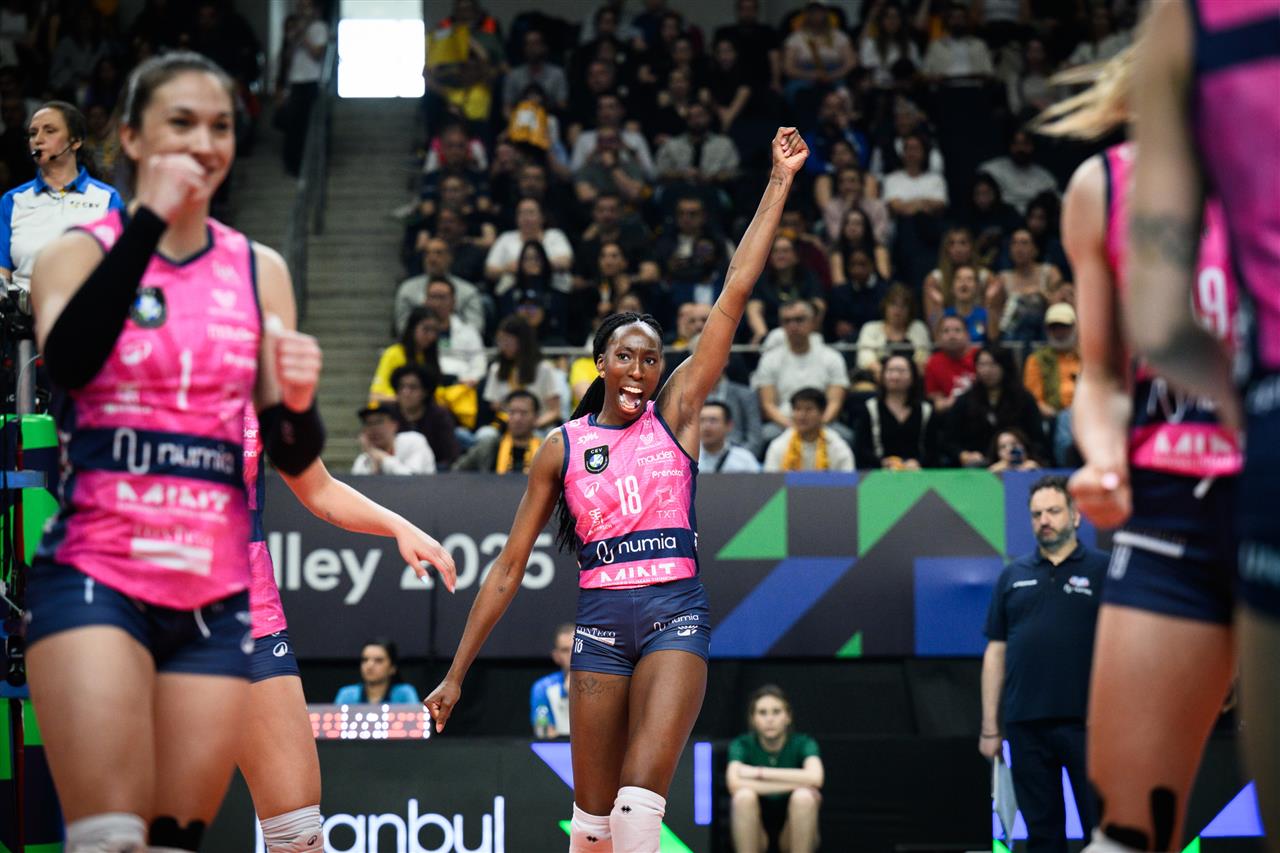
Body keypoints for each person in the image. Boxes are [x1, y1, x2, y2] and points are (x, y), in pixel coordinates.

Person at [424, 127, 810, 853]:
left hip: (675, 615)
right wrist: (455, 674)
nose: (639, 370)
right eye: (626, 357)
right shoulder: (562, 447)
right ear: (600, 362)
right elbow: (508, 567)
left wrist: (779, 182)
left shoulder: (677, 415)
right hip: (600, 626)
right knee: (593, 825)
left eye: (651, 359)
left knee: (636, 812)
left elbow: (734, 291)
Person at [23, 52, 327, 852]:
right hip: (98, 571)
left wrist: (299, 403)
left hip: (214, 595)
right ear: (129, 136)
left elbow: (291, 447)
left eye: (220, 126)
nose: (203, 142)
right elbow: (69, 364)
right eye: (181, 123)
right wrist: (150, 221)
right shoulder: (74, 253)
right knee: (112, 837)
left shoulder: (261, 270)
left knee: (172, 839)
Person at [1038, 43, 1244, 851]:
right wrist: (1101, 454)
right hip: (1168, 515)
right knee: (1127, 833)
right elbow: (1101, 374)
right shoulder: (1105, 187)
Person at [237, 402, 455, 852]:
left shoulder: (258, 391)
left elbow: (318, 489)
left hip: (248, 616)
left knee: (298, 836)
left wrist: (397, 525)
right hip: (144, 612)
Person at [981, 476, 1109, 853]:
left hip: (1089, 725)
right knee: (1041, 835)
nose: (1044, 521)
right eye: (1037, 514)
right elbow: (996, 651)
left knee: (1102, 832)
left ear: (1076, 515)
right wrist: (990, 727)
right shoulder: (1013, 575)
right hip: (1025, 725)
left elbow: (1125, 648)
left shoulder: (1104, 570)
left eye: (1053, 511)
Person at [1, 101, 122, 293]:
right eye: (33, 133)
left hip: (86, 307)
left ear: (75, 141)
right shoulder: (12, 200)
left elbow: (120, 267)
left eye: (49, 131)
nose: (38, 139)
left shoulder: (107, 198)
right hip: (22, 309)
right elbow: (2, 270)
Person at [726, 685, 824, 853]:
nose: (769, 719)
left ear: (788, 716)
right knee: (743, 797)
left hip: (792, 832)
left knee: (804, 798)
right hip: (756, 832)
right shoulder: (741, 744)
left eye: (776, 712)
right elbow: (734, 784)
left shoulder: (803, 743)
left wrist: (758, 772)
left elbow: (816, 778)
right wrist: (800, 782)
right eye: (762, 713)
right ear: (753, 719)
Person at [752, 299, 848, 445]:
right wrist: (794, 427)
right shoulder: (769, 359)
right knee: (763, 437)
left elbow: (834, 402)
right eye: (787, 321)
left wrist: (816, 427)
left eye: (799, 319)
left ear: (813, 322)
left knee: (847, 437)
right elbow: (768, 405)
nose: (793, 326)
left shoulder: (832, 357)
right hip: (783, 424)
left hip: (823, 424)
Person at [943, 344, 1046, 467]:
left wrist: (1026, 457)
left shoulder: (1024, 399)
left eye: (993, 364)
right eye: (982, 365)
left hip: (1016, 466)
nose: (987, 370)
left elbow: (1038, 439)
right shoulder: (965, 400)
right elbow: (949, 440)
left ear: (1005, 366)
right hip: (976, 467)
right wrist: (963, 454)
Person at [853, 353, 937, 469]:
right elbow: (861, 449)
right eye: (890, 371)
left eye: (902, 371)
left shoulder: (926, 410)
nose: (895, 376)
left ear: (913, 376)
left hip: (917, 473)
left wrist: (919, 463)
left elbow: (933, 449)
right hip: (879, 472)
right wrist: (882, 462)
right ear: (882, 375)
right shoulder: (870, 408)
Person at [278, 0, 327, 176]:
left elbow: (317, 54)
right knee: (293, 125)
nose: (303, 11)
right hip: (294, 81)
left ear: (314, 9)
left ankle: (303, 165)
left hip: (310, 81)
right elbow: (286, 58)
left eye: (306, 7)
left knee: (305, 125)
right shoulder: (294, 27)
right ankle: (291, 163)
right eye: (300, 7)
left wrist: (304, 35)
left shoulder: (319, 28)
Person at [764, 387, 856, 472]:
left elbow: (849, 480)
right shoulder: (779, 445)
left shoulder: (837, 446)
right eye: (797, 409)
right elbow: (769, 481)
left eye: (809, 409)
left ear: (822, 412)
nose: (802, 415)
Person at [454, 389, 543, 474]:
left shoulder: (545, 449)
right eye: (512, 412)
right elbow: (456, 471)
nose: (517, 418)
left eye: (524, 413)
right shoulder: (489, 446)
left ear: (536, 417)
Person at [854, 282, 932, 377]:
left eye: (903, 306)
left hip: (912, 378)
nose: (898, 310)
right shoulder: (870, 328)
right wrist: (888, 376)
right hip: (878, 377)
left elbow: (924, 360)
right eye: (893, 304)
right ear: (885, 306)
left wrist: (904, 376)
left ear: (910, 309)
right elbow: (865, 359)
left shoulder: (918, 328)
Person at [392, 364, 460, 469]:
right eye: (401, 387)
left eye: (413, 387)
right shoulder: (388, 415)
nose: (406, 392)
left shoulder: (439, 416)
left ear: (425, 391)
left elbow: (451, 455)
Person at [352, 402, 436, 475]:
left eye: (379, 422)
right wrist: (374, 465)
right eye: (369, 423)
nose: (374, 428)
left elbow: (412, 478)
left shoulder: (414, 441)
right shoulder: (363, 460)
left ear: (394, 425)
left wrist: (382, 458)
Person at [334, 639, 420, 704]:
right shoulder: (347, 695)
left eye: (378, 660)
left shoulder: (405, 693)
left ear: (392, 668)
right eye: (365, 660)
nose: (369, 666)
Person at [924, 314, 976, 413]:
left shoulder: (979, 357)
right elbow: (935, 398)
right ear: (938, 338)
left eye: (957, 330)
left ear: (967, 335)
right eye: (946, 331)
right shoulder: (933, 362)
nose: (952, 336)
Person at [531, 623, 575, 738]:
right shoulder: (542, 687)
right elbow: (542, 732)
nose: (572, 655)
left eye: (576, 648)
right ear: (556, 656)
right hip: (558, 747)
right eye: (565, 650)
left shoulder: (600, 685)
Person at [698, 400, 761, 473]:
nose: (706, 427)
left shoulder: (744, 459)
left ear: (729, 425)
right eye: (701, 420)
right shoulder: (687, 458)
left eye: (713, 421)